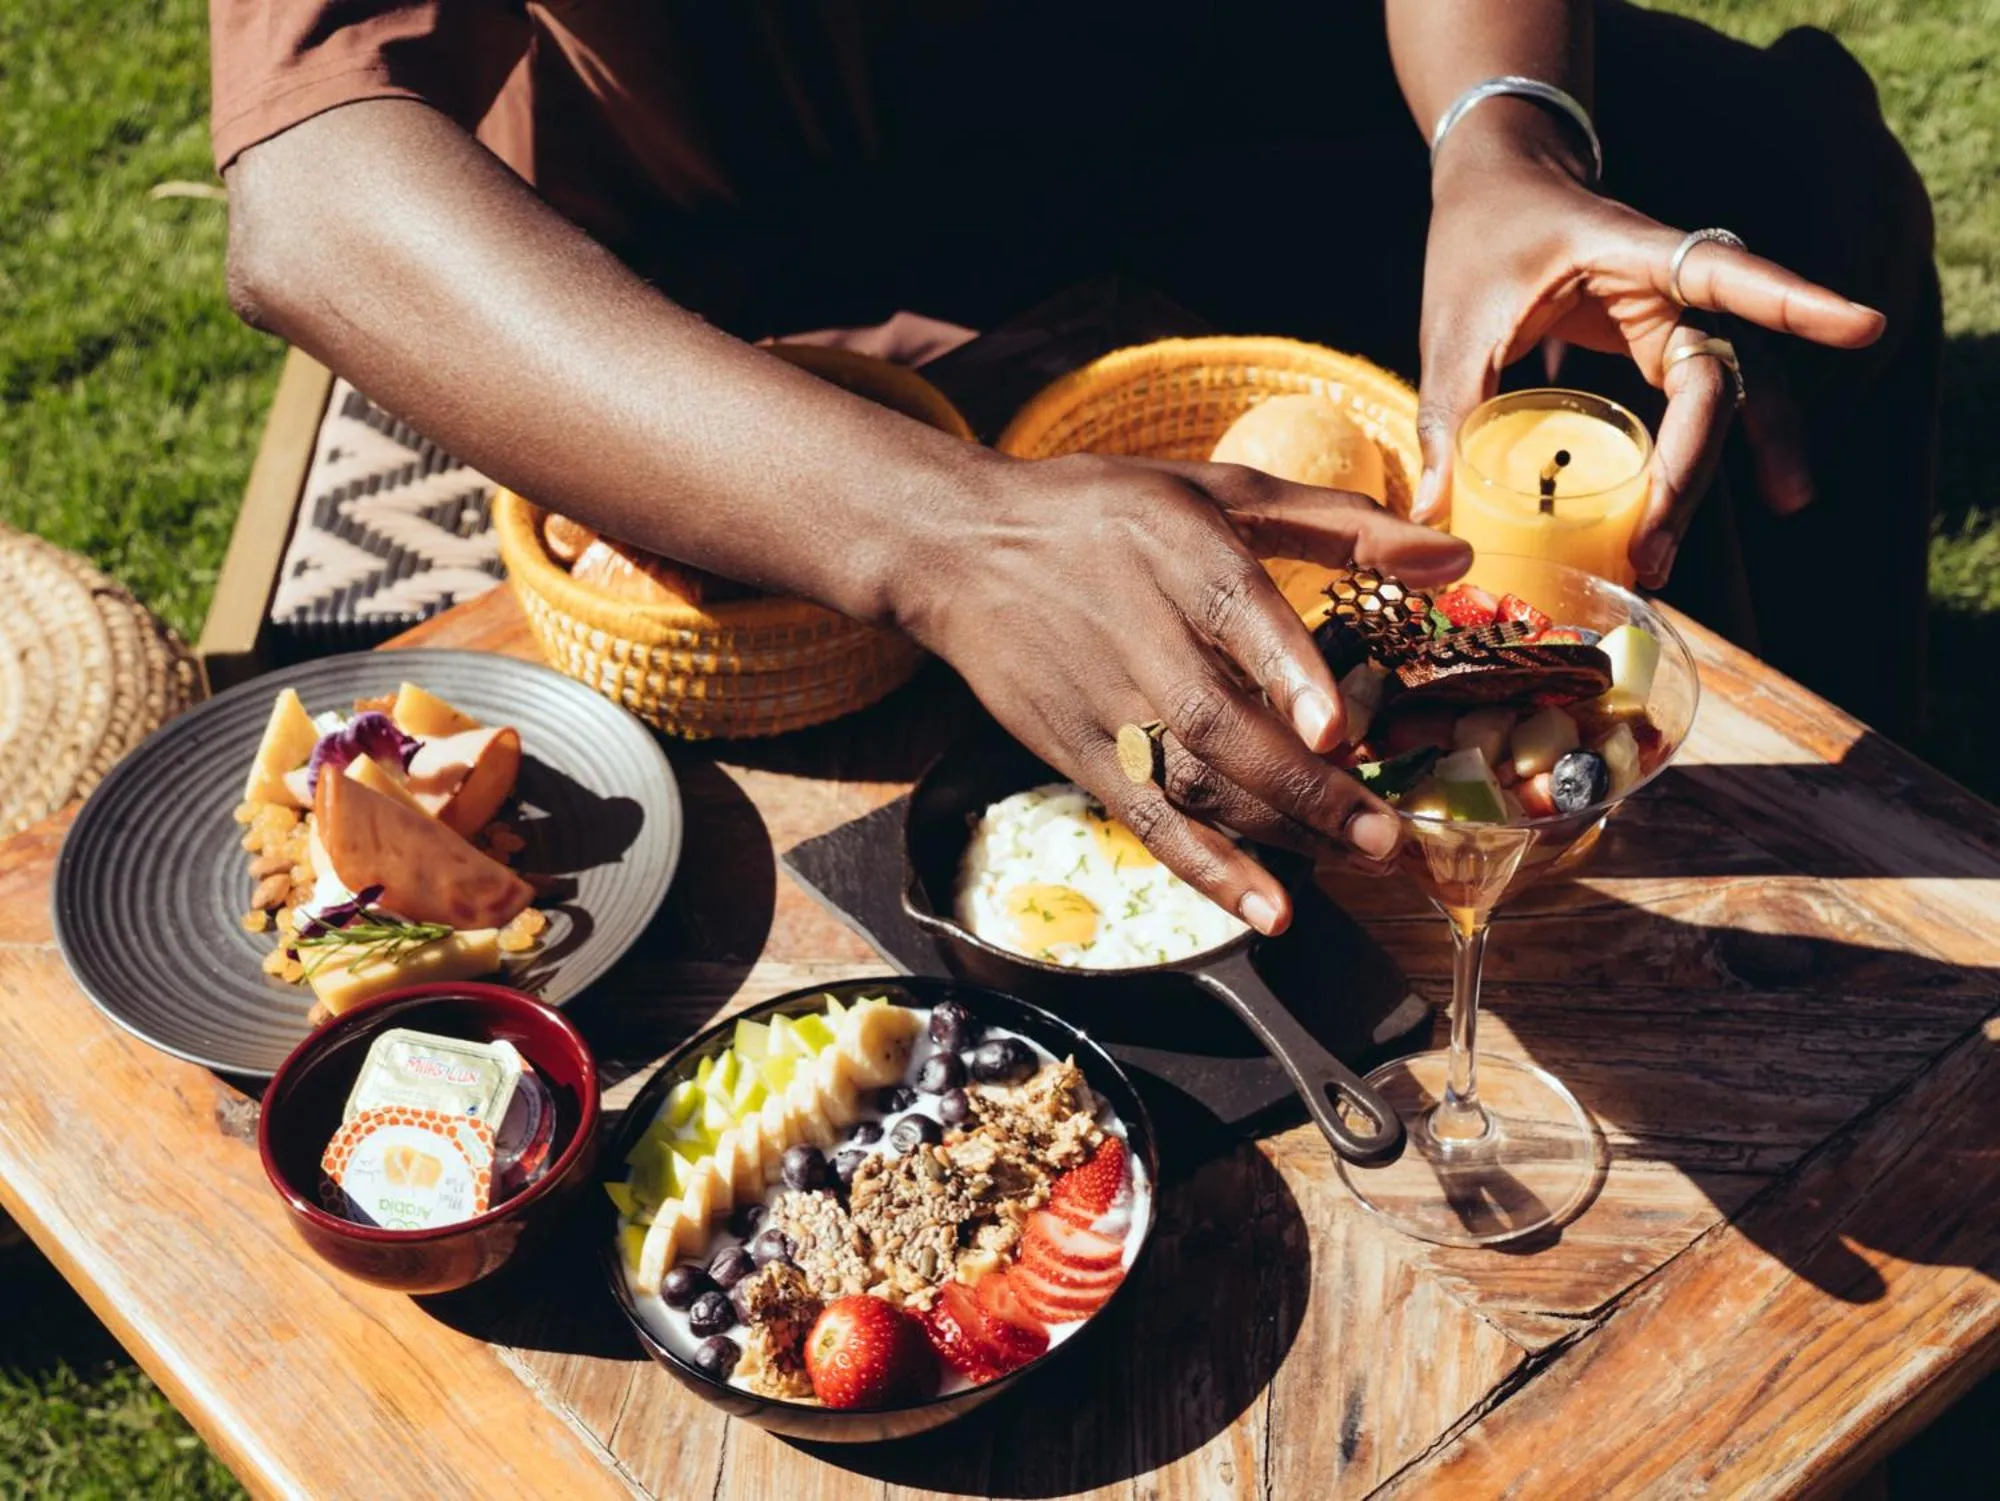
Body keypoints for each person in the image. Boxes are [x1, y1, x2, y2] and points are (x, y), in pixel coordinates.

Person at [211, 1, 1937, 938]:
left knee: (1777, 182)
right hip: (775, 245)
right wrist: (935, 532)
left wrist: (1501, 129)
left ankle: (1874, 815)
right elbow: (317, 194)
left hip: (1197, 75)